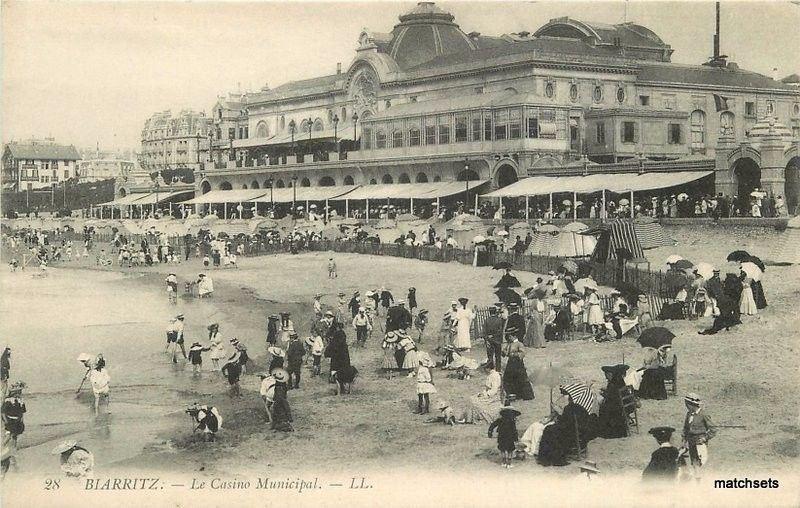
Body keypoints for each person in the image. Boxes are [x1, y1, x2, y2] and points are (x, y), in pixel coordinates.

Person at [534, 382, 597, 466]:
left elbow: (563, 422)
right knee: (550, 429)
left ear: (571, 398)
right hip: (580, 433)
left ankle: (545, 459)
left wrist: (557, 416)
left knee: (548, 430)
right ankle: (549, 459)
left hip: (570, 434)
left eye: (569, 397)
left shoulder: (569, 408)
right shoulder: (583, 409)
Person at [682, 392, 715, 479]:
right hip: (691, 441)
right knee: (694, 462)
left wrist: (705, 438)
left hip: (700, 442)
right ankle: (697, 479)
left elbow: (713, 429)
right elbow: (686, 428)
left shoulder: (704, 415)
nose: (686, 406)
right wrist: (684, 439)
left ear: (692, 404)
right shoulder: (689, 414)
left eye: (687, 404)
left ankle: (700, 480)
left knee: (700, 462)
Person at [597, 364, 630, 439]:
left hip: (617, 407)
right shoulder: (619, 381)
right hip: (624, 404)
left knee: (602, 408)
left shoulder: (613, 383)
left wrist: (603, 394)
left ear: (610, 374)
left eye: (606, 375)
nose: (606, 378)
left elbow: (611, 397)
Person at [502, 332, 534, 401]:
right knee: (508, 378)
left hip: (518, 364)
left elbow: (523, 353)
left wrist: (514, 354)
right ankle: (512, 394)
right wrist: (504, 352)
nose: (509, 338)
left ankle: (524, 395)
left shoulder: (519, 344)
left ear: (514, 336)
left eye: (510, 336)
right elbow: (506, 353)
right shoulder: (509, 344)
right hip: (510, 363)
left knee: (520, 378)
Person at [2, 382, 26, 446]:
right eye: (19, 392)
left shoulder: (20, 401)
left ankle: (14, 447)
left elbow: (22, 411)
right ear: (14, 393)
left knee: (15, 435)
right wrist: (6, 420)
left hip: (17, 420)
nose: (20, 393)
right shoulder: (8, 400)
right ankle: (2, 445)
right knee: (9, 434)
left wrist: (21, 419)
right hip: (10, 420)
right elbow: (3, 412)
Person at [483, 306, 504, 370]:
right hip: (497, 340)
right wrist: (494, 335)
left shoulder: (487, 320)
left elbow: (484, 332)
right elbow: (500, 331)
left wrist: (487, 339)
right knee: (498, 356)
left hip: (489, 341)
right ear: (495, 312)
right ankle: (498, 369)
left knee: (490, 355)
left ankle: (491, 368)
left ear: (489, 312)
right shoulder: (499, 320)